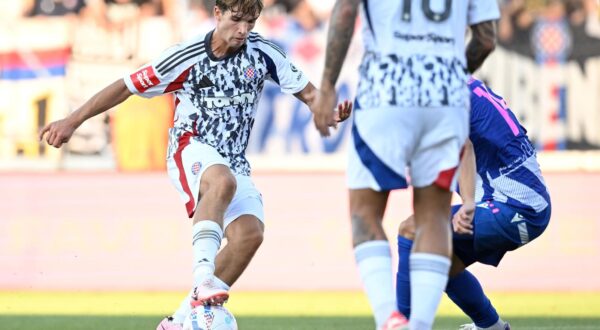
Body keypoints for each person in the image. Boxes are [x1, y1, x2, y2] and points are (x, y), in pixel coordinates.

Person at [38, 0, 352, 329]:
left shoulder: (264, 53)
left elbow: (309, 93)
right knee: (222, 183)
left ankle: (180, 319)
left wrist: (326, 110)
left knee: (249, 234)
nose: (243, 30)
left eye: (251, 21)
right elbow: (126, 86)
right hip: (190, 148)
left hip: (234, 159)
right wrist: (72, 121)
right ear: (218, 13)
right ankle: (203, 278)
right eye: (236, 20)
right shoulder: (185, 55)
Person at [313, 1, 500, 329]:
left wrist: (327, 85)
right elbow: (486, 39)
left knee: (365, 212)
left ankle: (389, 318)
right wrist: (449, 77)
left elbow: (345, 11)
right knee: (434, 217)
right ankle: (420, 324)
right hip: (445, 100)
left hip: (386, 92)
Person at [395, 77, 551, 330]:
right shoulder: (453, 83)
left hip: (516, 206)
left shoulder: (439, 94)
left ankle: (399, 324)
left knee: (411, 230)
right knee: (441, 261)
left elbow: (463, 147)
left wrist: (467, 203)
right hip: (525, 205)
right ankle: (491, 326)